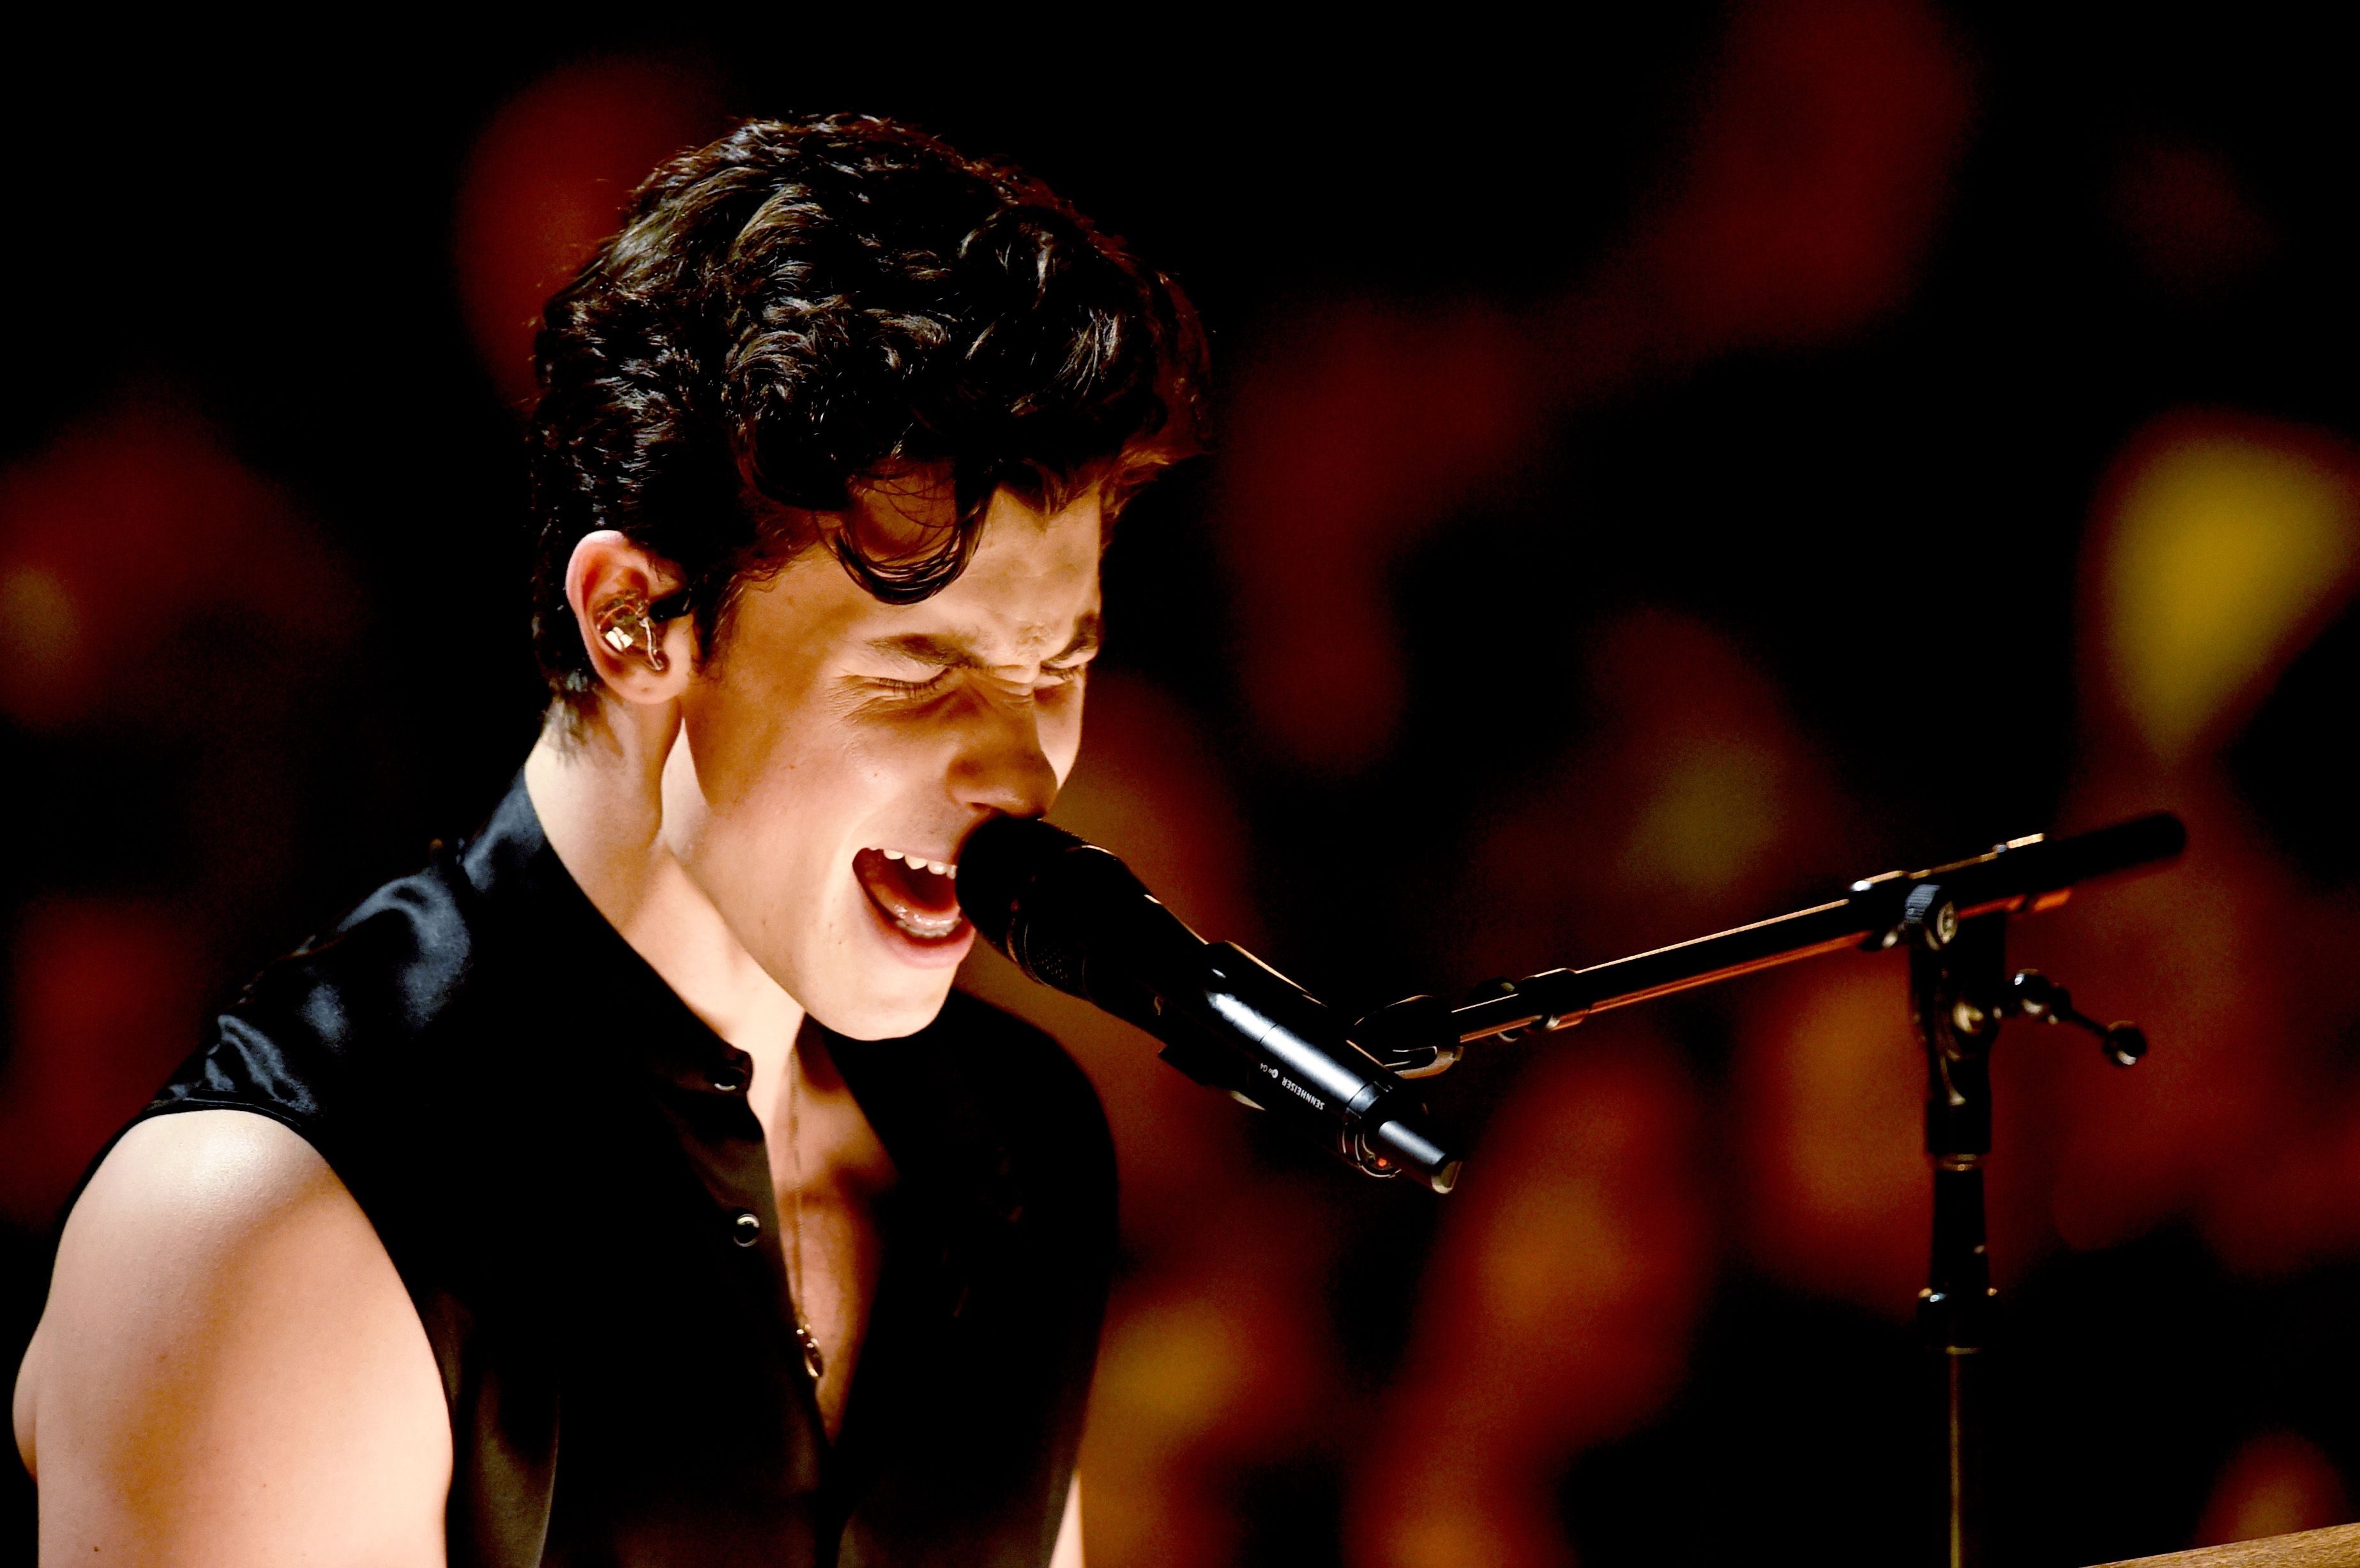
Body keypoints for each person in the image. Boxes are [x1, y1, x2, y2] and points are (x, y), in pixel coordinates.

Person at [10, 112, 1202, 1566]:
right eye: (920, 670)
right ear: (634, 620)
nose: (1023, 766)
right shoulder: (271, 1222)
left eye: (1054, 668)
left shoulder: (1027, 1153)